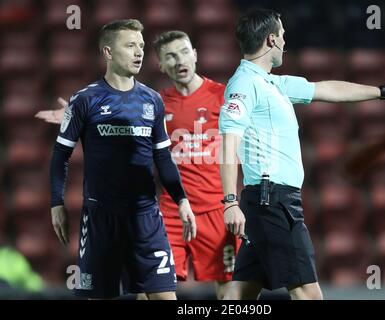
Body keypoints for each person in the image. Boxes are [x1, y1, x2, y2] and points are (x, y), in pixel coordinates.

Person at [218, 8, 385, 300]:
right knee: (309, 294)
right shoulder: (245, 85)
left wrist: (384, 91)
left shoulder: (273, 83)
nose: (285, 41)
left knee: (240, 294)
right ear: (271, 40)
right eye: (282, 35)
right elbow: (229, 141)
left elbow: (327, 89)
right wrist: (230, 200)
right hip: (273, 202)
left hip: (267, 202)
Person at [37, 31, 239, 299]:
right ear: (161, 65)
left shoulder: (223, 98)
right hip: (164, 213)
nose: (180, 60)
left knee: (228, 288)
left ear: (195, 54)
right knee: (149, 291)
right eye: (170, 56)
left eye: (184, 52)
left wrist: (232, 201)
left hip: (212, 208)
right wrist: (74, 117)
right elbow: (114, 110)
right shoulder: (155, 101)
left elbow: (238, 144)